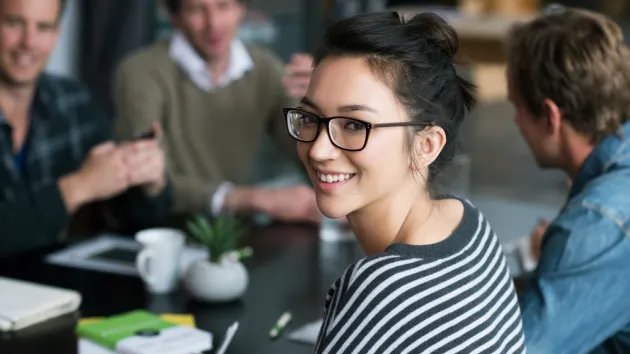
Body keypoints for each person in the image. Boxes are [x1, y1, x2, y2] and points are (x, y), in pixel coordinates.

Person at [287, 11, 525, 353]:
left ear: (426, 145)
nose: (319, 149)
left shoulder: (380, 290)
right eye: (310, 117)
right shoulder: (470, 225)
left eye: (355, 125)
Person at [114, 0, 320, 224]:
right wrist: (254, 199)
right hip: (164, 231)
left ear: (241, 9)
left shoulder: (266, 69)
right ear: (175, 18)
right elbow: (149, 177)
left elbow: (307, 153)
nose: (213, 24)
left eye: (223, 6)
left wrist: (321, 103)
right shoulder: (141, 72)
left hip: (236, 235)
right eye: (196, 10)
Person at [0, 0, 171, 258]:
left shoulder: (72, 100)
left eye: (44, 27)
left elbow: (130, 217)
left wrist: (147, 181)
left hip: (56, 288)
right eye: (15, 23)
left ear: (57, 35)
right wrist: (78, 187)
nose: (29, 42)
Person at [506, 8, 630, 353]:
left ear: (549, 115)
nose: (515, 121)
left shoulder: (596, 223)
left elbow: (520, 349)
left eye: (517, 107)